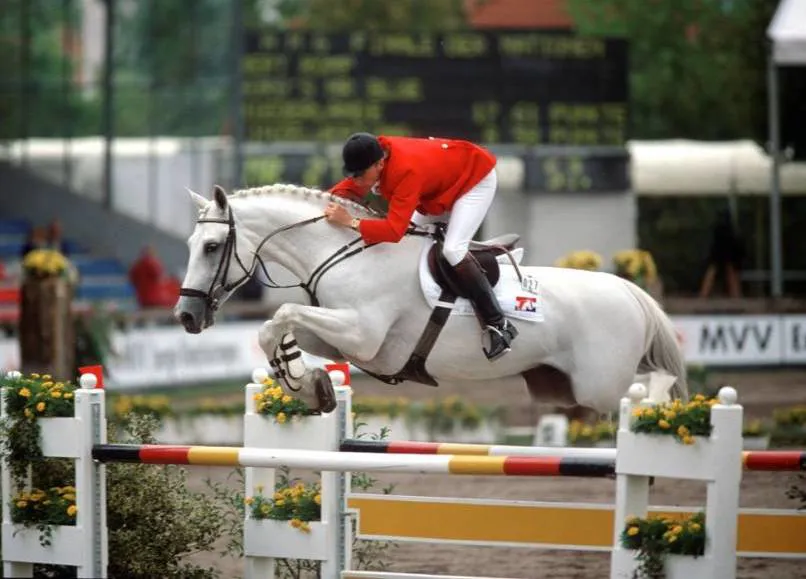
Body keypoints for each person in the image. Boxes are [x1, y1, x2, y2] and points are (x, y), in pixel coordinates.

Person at [323, 132, 518, 361]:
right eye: (352, 174)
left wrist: (350, 221)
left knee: (453, 249)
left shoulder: (405, 171)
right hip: (442, 182)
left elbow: (394, 231)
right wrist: (321, 201)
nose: (355, 180)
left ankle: (499, 324)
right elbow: (347, 189)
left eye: (359, 174)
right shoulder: (374, 155)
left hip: (474, 179)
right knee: (408, 244)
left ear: (379, 164)